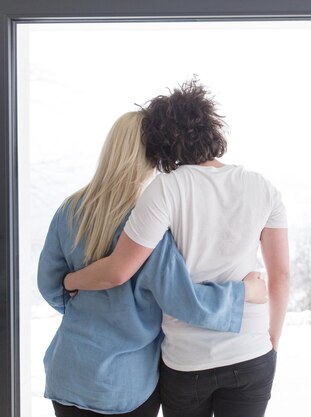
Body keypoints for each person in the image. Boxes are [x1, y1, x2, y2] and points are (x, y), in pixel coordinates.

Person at [64, 80, 290, 417]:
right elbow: (281, 275)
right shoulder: (263, 187)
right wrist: (272, 340)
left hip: (188, 359)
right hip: (250, 349)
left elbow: (118, 270)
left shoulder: (165, 190)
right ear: (213, 128)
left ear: (163, 145)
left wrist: (70, 280)